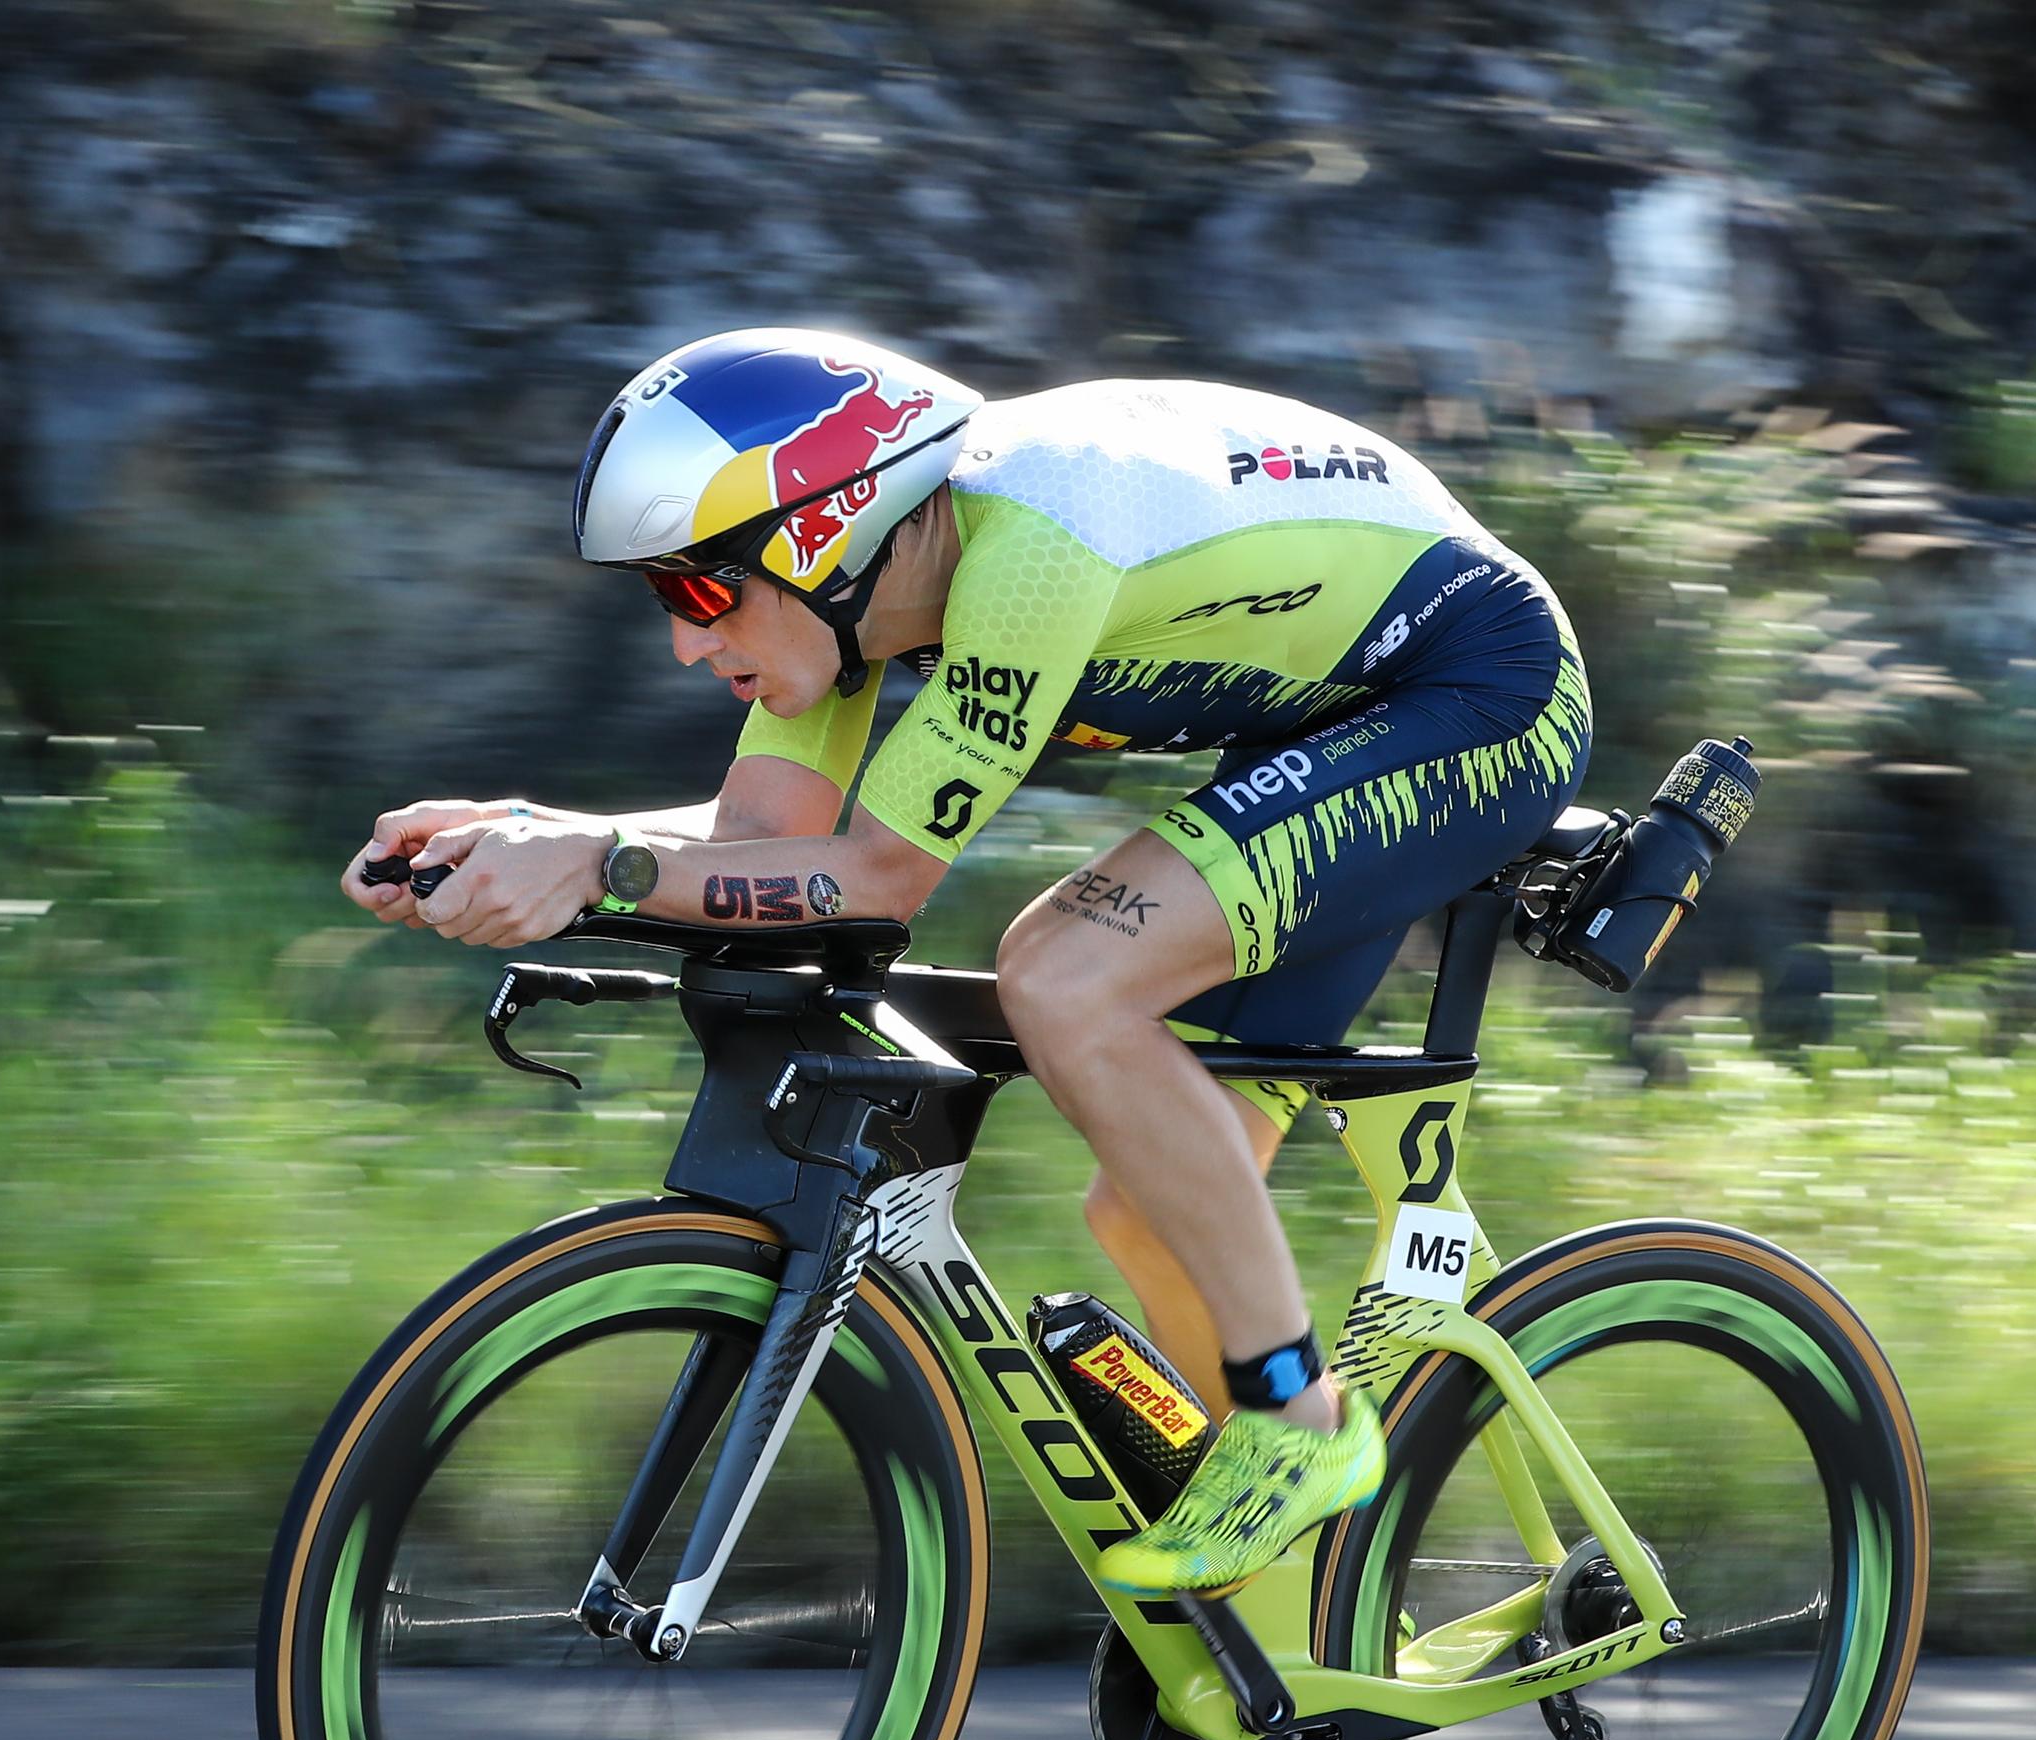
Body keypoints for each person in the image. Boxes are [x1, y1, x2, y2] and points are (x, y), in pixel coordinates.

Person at [340, 328, 1590, 1599]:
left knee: (1065, 975)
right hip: (1332, 721)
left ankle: (1299, 1423)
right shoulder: (858, 601)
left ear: (820, 534)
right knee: (1148, 1205)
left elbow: (876, 878)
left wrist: (601, 867)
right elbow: (762, 853)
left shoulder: (1029, 550)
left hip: (1475, 694)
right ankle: (1276, 1667)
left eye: (699, 591)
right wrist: (521, 839)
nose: (680, 642)